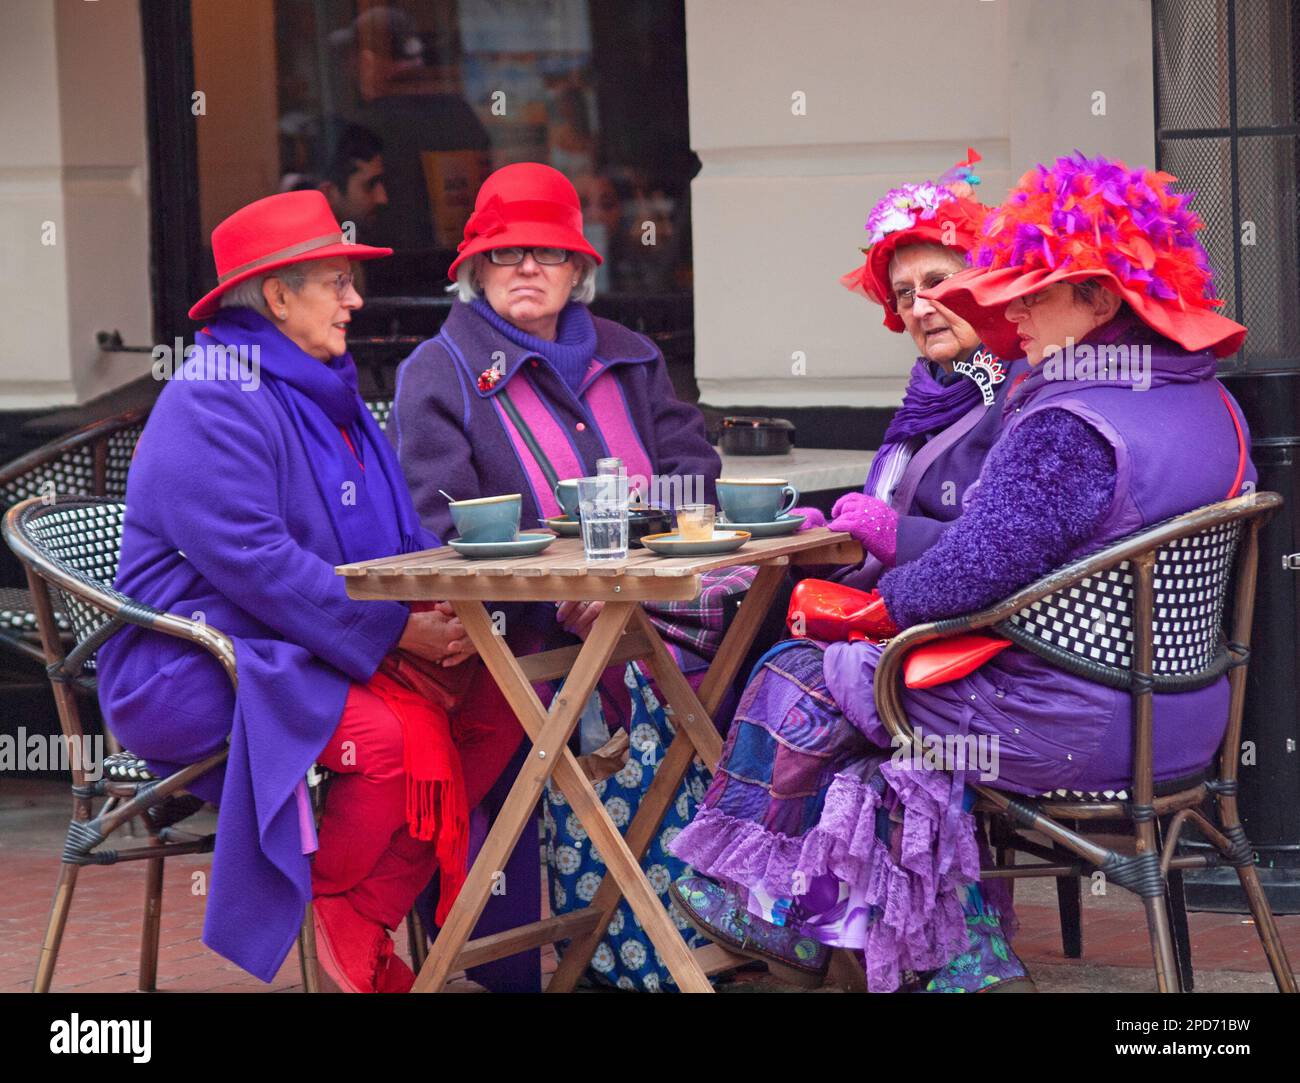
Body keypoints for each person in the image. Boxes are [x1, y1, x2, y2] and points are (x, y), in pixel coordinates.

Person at [668, 152, 1253, 993]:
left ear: (1102, 296)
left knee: (804, 675)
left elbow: (969, 576)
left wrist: (877, 609)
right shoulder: (1207, 400)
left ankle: (765, 910)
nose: (1011, 308)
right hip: (1186, 715)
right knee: (883, 745)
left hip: (1071, 723)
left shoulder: (1071, 419)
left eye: (1033, 289)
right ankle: (951, 957)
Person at [96, 190, 523, 993]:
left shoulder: (327, 388)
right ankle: (334, 907)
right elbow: (255, 560)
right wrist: (398, 634)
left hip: (307, 641)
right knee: (395, 745)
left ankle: (354, 910)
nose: (356, 300)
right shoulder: (209, 394)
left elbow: (398, 534)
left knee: (506, 695)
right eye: (336, 282)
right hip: (199, 665)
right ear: (278, 294)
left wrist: (436, 603)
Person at [390, 161, 722, 989]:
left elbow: (695, 470)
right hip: (524, 638)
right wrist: (567, 581)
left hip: (661, 613)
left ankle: (716, 933)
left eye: (547, 252)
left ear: (579, 267)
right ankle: (579, 953)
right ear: (474, 270)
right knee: (557, 716)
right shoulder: (441, 370)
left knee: (761, 677)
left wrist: (653, 543)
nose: (528, 268)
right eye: (506, 255)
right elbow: (442, 525)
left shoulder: (632, 356)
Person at [799, 150, 1029, 591]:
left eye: (939, 283)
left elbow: (1002, 552)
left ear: (985, 286)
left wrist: (892, 534)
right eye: (905, 293)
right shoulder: (927, 394)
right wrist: (821, 539)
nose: (922, 307)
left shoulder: (1022, 391)